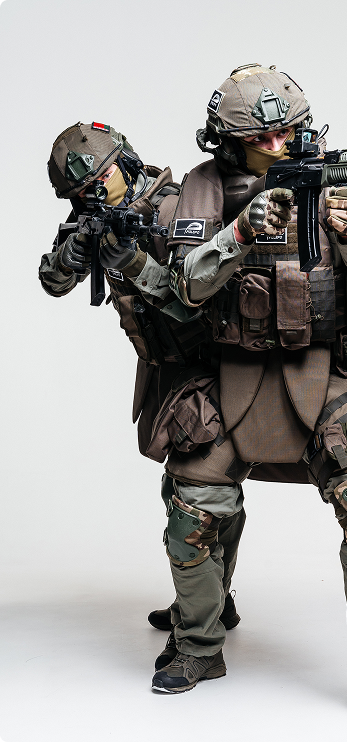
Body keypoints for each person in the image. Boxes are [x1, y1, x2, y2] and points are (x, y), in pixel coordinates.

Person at [101, 64, 347, 731]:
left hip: (320, 375)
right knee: (192, 509)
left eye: (288, 130)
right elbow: (184, 287)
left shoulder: (339, 179)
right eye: (261, 136)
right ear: (227, 139)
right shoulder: (200, 191)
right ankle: (199, 644)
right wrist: (238, 234)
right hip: (228, 375)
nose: (279, 143)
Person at [39, 121, 246, 635]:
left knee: (200, 496)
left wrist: (133, 263)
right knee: (188, 492)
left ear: (126, 162)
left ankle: (204, 618)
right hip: (162, 370)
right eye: (80, 192)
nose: (92, 195)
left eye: (100, 180)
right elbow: (51, 281)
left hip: (210, 366)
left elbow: (195, 301)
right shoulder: (91, 220)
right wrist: (69, 257)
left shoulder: (177, 210)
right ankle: (211, 600)